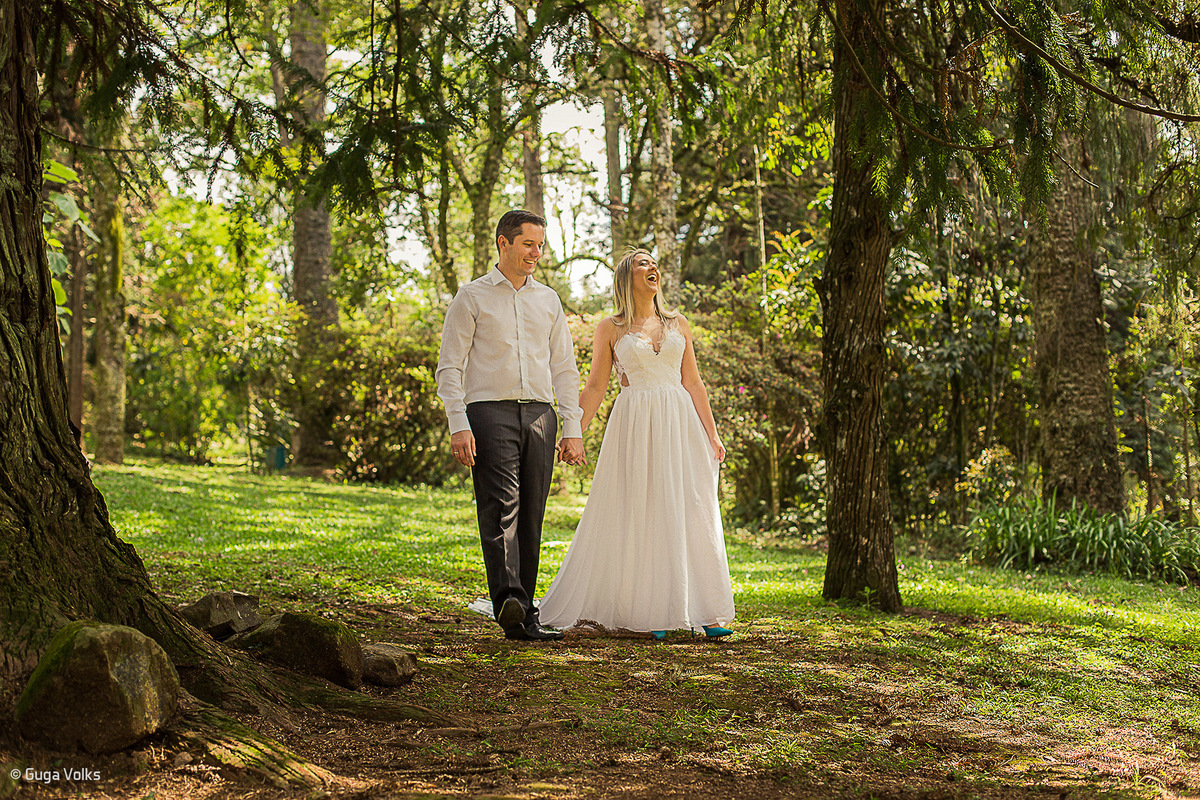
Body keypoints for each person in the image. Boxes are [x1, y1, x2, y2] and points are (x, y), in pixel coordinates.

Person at [537, 248, 735, 640]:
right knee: (644, 508)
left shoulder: (678, 323)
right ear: (627, 277)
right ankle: (652, 613)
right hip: (636, 423)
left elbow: (693, 381)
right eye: (643, 263)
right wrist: (573, 431)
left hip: (679, 422)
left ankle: (705, 611)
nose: (652, 267)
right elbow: (596, 386)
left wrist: (712, 433)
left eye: (653, 263)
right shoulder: (610, 328)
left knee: (690, 506)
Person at [435, 210, 586, 641]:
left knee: (532, 515)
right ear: (504, 242)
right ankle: (509, 601)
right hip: (489, 412)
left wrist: (571, 427)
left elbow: (564, 368)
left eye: (540, 245)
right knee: (502, 507)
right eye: (528, 244)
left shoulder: (549, 300)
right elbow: (449, 368)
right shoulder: (471, 297)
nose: (536, 253)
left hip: (540, 414)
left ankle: (526, 615)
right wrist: (458, 422)